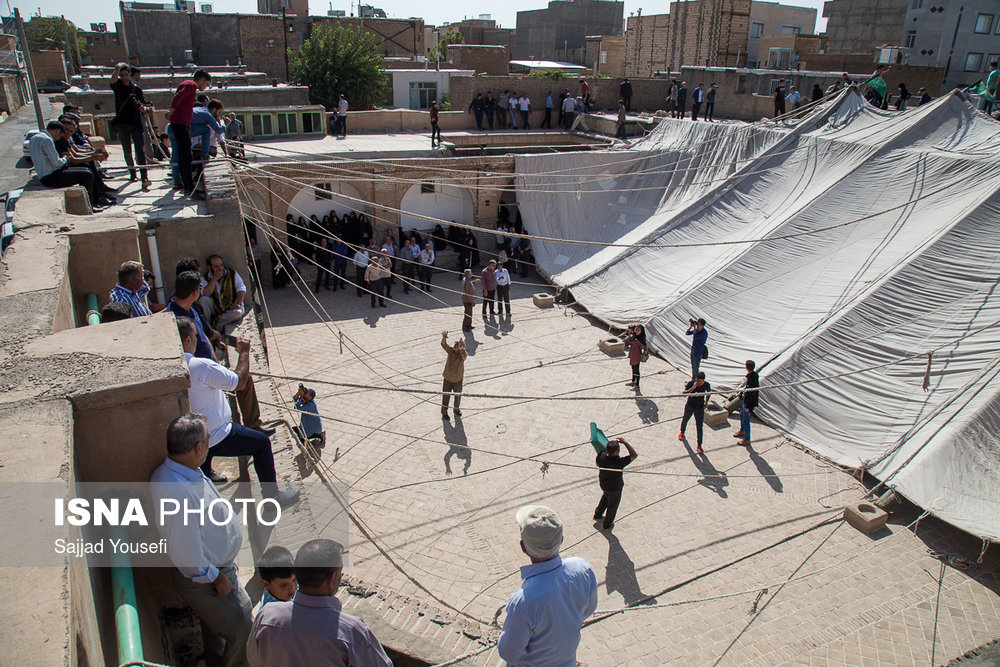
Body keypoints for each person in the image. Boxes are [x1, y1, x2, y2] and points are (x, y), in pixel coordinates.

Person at [150, 413, 254, 667]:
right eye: (208, 441)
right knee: (243, 628)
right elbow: (185, 552)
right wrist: (214, 577)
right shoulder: (176, 492)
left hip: (216, 569)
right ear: (198, 447)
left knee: (217, 630)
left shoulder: (183, 471)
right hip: (207, 577)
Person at [175, 316, 299, 506]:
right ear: (188, 341)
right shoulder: (199, 366)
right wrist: (244, 353)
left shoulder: (174, 365)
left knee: (204, 464)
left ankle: (208, 475)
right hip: (215, 434)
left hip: (190, 435)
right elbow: (239, 382)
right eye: (195, 335)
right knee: (262, 444)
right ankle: (272, 500)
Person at [247, 539, 392, 667]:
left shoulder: (266, 616)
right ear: (331, 579)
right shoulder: (352, 632)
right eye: (340, 572)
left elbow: (254, 660)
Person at [497, 506, 598, 666]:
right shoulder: (582, 568)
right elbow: (589, 609)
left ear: (523, 547)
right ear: (562, 539)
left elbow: (509, 652)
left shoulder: (523, 602)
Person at [29, 121, 107, 210]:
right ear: (57, 131)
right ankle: (90, 205)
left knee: (86, 169)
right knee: (87, 175)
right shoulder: (47, 140)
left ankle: (97, 199)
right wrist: (65, 159)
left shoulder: (35, 138)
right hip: (51, 177)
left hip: (44, 175)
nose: (58, 138)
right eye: (60, 135)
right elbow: (56, 162)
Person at [167, 69, 211, 199]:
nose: (205, 86)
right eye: (206, 83)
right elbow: (178, 97)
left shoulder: (186, 84)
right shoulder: (191, 85)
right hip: (180, 123)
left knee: (183, 155)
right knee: (186, 156)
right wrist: (171, 111)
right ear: (202, 80)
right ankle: (189, 188)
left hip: (180, 123)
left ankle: (187, 186)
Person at [110, 62, 151, 188]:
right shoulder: (118, 87)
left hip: (136, 123)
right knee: (127, 150)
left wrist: (143, 108)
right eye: (122, 75)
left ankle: (144, 177)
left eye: (126, 75)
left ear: (130, 75)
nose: (124, 77)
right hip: (123, 123)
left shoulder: (136, 89)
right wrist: (117, 67)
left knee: (140, 150)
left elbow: (144, 103)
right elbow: (112, 80)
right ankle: (132, 172)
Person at [594, 437, 637, 531]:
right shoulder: (619, 462)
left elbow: (597, 463)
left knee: (605, 497)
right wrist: (625, 442)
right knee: (612, 506)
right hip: (615, 489)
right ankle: (607, 525)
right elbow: (634, 455)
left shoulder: (602, 456)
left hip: (604, 484)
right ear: (617, 451)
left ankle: (597, 515)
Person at [199, 254, 246, 335]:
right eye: (216, 266)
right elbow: (205, 293)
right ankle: (207, 326)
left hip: (231, 306)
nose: (220, 268)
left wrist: (238, 303)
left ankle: (217, 325)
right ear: (210, 267)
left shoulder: (232, 273)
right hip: (216, 306)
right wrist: (214, 279)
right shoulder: (205, 277)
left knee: (238, 312)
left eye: (221, 265)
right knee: (203, 300)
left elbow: (241, 288)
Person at [679, 372, 711, 453]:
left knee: (699, 427)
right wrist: (693, 388)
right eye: (698, 381)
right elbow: (685, 393)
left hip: (699, 407)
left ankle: (699, 445)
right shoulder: (691, 383)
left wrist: (706, 403)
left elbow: (709, 393)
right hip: (690, 405)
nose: (700, 383)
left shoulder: (706, 385)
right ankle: (682, 432)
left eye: (701, 381)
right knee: (685, 419)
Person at [257, 546, 296, 612]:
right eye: (283, 585)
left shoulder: (280, 592)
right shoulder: (270, 613)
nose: (291, 588)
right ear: (266, 584)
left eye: (294, 580)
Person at [440, 330, 466, 420]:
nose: (455, 346)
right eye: (455, 344)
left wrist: (461, 347)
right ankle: (444, 413)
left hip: (458, 380)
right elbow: (444, 345)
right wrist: (444, 337)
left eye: (457, 345)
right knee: (445, 397)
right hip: (448, 378)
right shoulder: (450, 351)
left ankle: (456, 409)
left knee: (457, 396)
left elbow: (464, 356)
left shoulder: (461, 354)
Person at [734, 360, 759, 447]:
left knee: (746, 419)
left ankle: (747, 439)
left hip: (748, 402)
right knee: (742, 415)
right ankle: (742, 430)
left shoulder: (752, 378)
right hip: (745, 399)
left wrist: (748, 406)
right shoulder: (752, 376)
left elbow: (752, 393)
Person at [626, 324, 646, 391]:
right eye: (636, 329)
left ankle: (637, 385)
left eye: (638, 330)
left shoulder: (641, 339)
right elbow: (629, 341)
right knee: (633, 368)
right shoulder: (634, 336)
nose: (636, 331)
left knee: (637, 370)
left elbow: (635, 343)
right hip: (632, 354)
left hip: (637, 356)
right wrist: (630, 333)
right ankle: (633, 381)